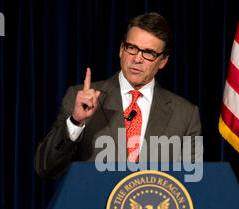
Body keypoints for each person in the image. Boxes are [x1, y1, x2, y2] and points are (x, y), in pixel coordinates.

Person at [34, 12, 201, 179]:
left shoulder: (185, 115)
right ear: (122, 49)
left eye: (149, 53)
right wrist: (76, 122)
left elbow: (193, 182)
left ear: (163, 61)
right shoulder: (81, 99)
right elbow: (45, 168)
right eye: (132, 48)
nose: (137, 58)